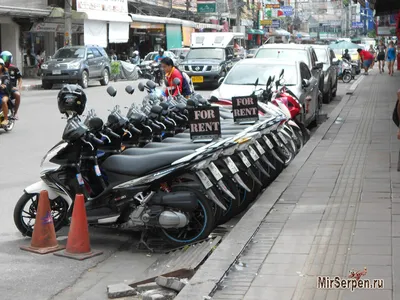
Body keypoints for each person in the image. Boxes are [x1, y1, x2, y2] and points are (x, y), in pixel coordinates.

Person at [1, 50, 21, 119]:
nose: (5, 60)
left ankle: (15, 113)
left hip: (11, 88)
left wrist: (19, 87)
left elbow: (19, 79)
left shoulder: (14, 68)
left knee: (18, 95)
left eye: (7, 58)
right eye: (3, 58)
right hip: (2, 88)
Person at [0, 59, 11, 126]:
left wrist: (3, 85)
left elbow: (6, 82)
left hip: (4, 93)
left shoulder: (5, 74)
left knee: (4, 101)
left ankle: (6, 119)